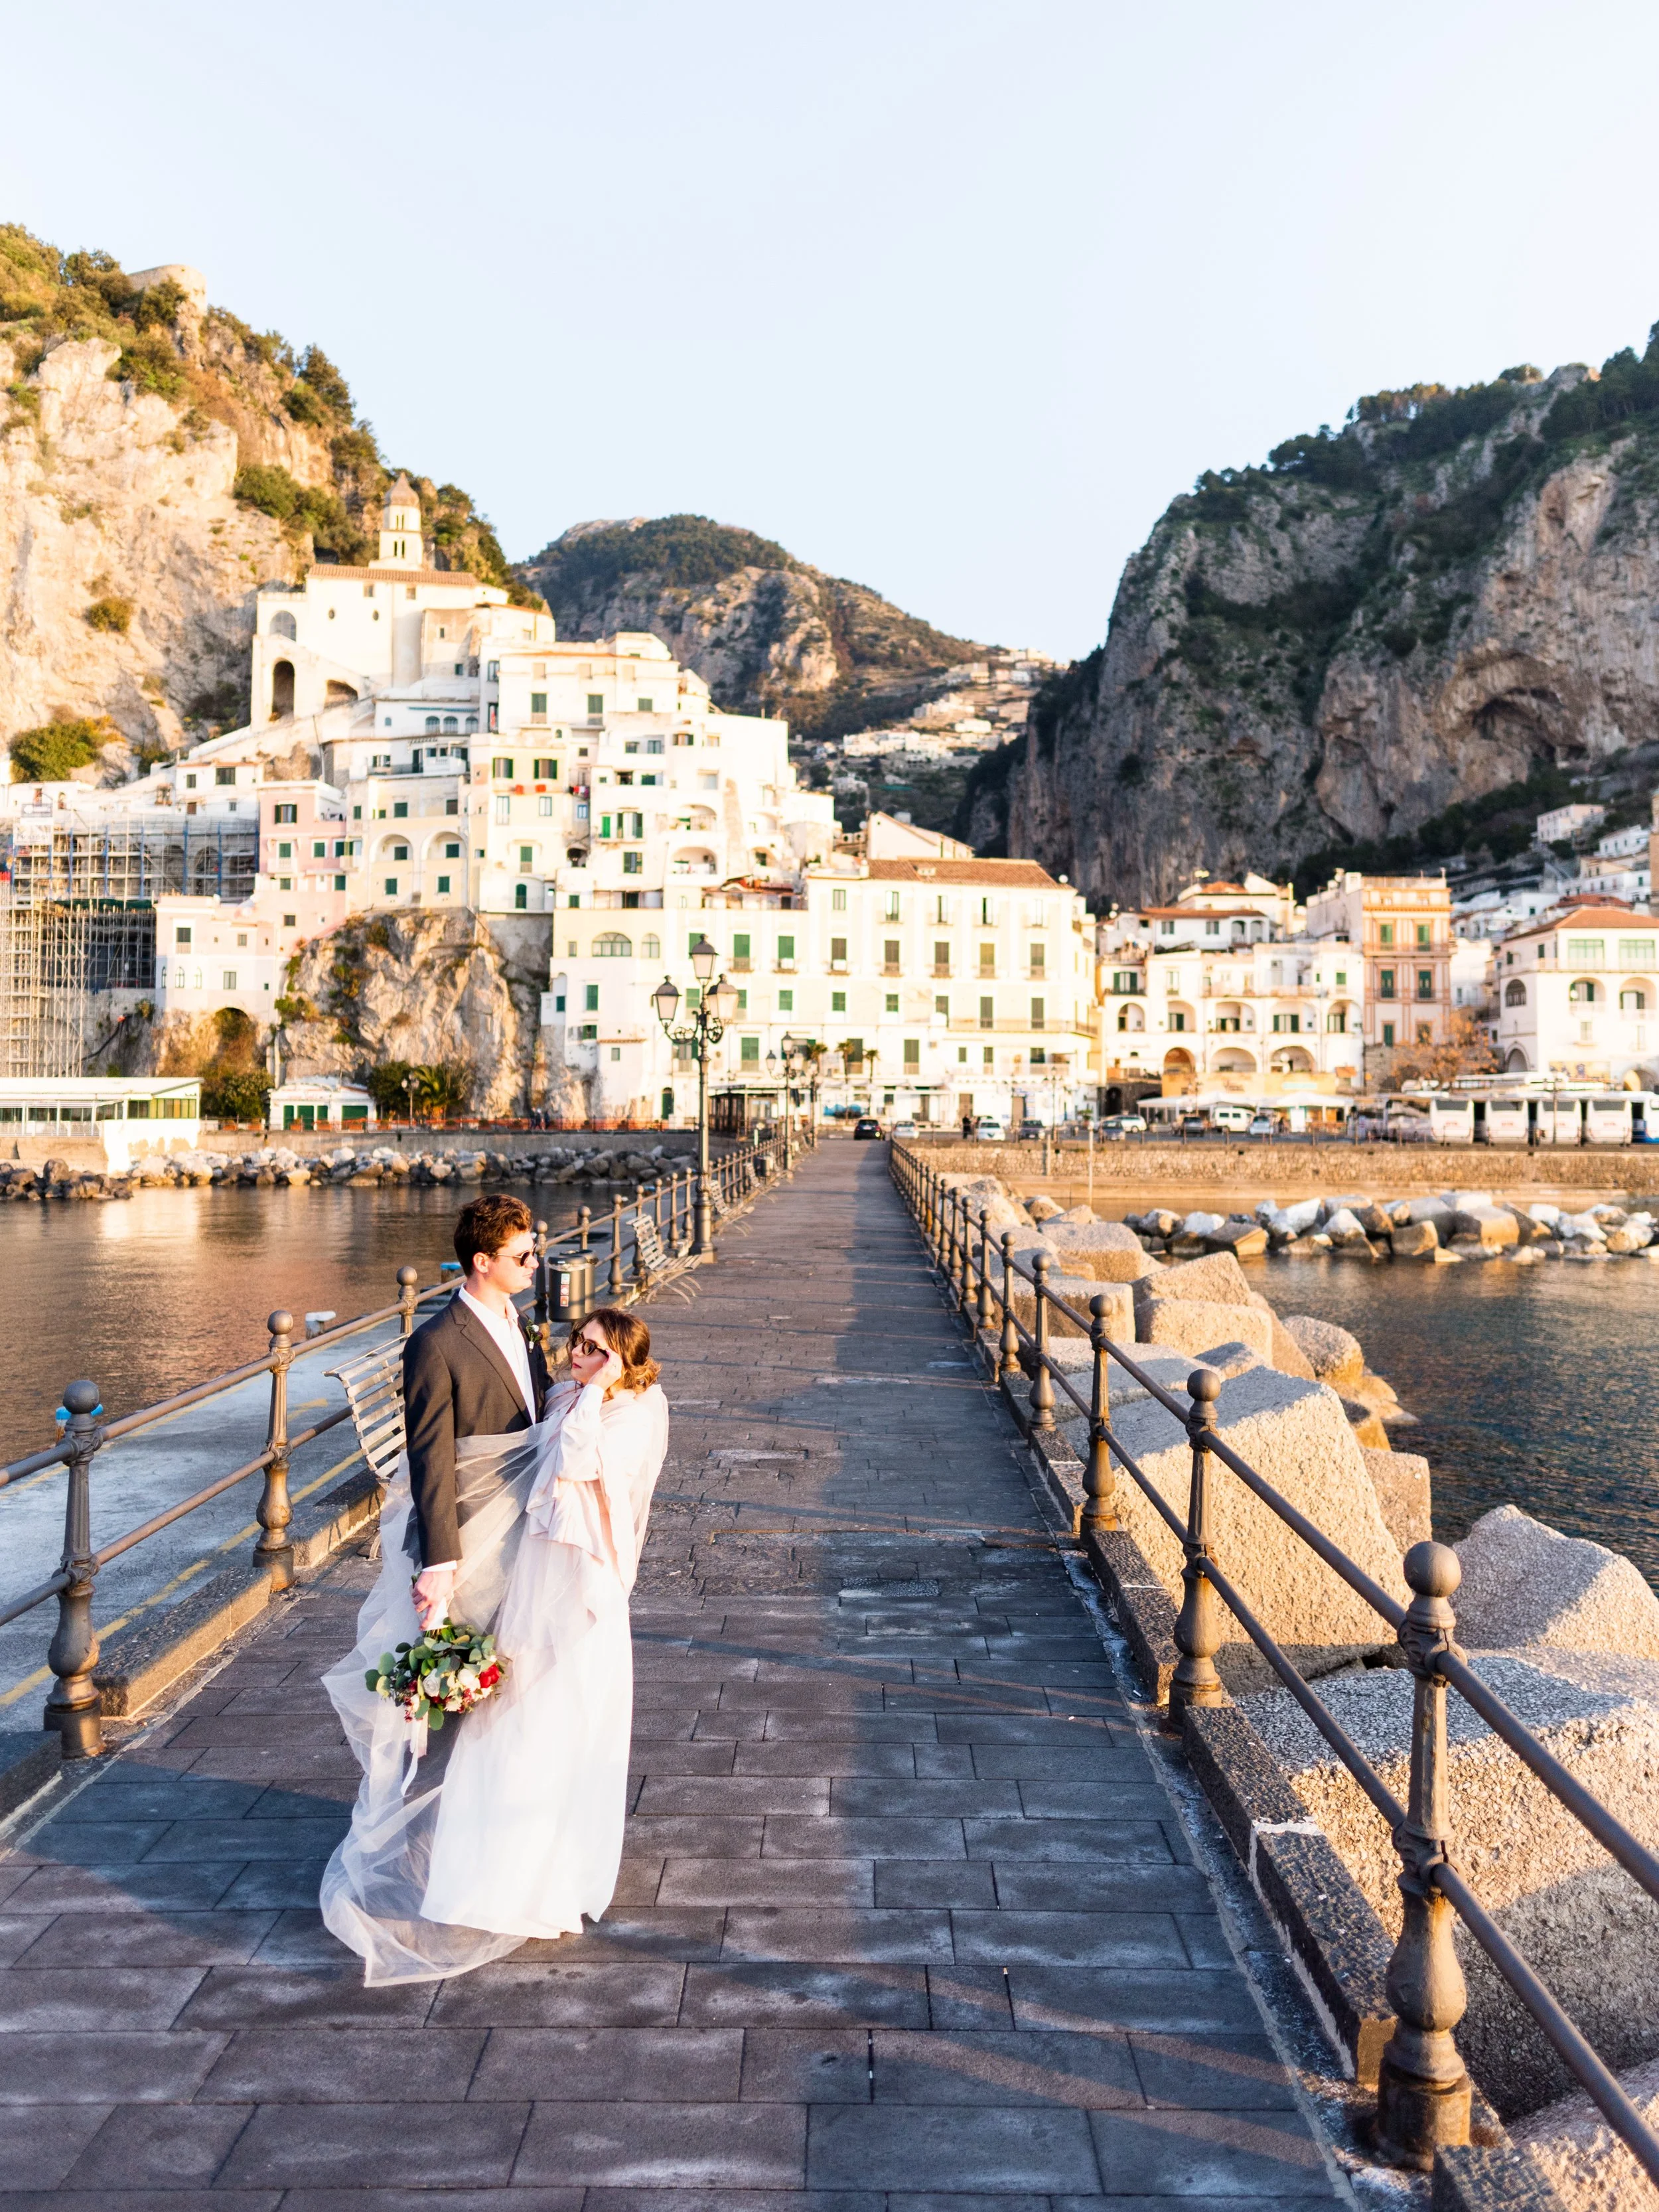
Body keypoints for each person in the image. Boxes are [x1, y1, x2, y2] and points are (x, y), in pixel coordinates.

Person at [319, 1199, 670, 1985]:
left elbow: (543, 1430)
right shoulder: (437, 1343)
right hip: (473, 1552)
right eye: (522, 1255)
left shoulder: (517, 1325)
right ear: (482, 1262)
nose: (535, 1264)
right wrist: (437, 1567)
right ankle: (443, 1859)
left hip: (529, 1553)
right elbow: (433, 1461)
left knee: (515, 1707)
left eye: (534, 1252)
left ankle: (504, 1856)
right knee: (471, 1710)